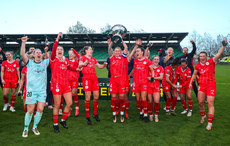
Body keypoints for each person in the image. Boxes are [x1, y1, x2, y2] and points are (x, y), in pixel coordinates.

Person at [189, 40, 228, 130]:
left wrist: (223, 46)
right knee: (200, 102)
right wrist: (191, 83)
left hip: (211, 85)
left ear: (206, 57)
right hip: (202, 86)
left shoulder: (211, 61)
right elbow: (194, 74)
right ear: (199, 57)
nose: (202, 57)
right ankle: (203, 116)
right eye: (200, 56)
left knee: (210, 103)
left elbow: (218, 54)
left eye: (203, 56)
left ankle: (209, 123)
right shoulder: (198, 65)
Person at [20, 36, 49, 137]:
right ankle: (26, 128)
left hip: (41, 91)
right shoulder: (29, 63)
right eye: (37, 52)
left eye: (40, 53)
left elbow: (50, 57)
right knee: (30, 110)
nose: (39, 54)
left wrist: (46, 52)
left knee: (40, 109)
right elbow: (22, 54)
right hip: (31, 90)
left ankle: (34, 127)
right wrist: (23, 43)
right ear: (33, 55)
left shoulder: (45, 63)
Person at [50, 32, 79, 133]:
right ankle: (55, 124)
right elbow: (53, 50)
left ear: (63, 51)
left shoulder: (66, 60)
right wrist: (57, 39)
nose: (59, 50)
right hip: (56, 84)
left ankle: (62, 120)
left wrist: (80, 66)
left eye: (61, 49)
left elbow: (72, 68)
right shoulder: (53, 59)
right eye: (58, 49)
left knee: (69, 103)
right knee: (57, 105)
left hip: (66, 84)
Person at [79, 46, 107, 125]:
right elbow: (80, 65)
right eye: (90, 49)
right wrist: (83, 64)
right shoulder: (83, 58)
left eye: (92, 49)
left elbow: (100, 66)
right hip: (87, 78)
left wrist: (104, 65)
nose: (92, 50)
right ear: (86, 50)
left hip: (94, 78)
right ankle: (87, 116)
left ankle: (95, 114)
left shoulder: (93, 59)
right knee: (87, 97)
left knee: (96, 96)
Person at [129, 45, 154, 123]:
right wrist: (128, 76)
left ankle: (146, 115)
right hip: (136, 82)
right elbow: (134, 69)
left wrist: (152, 77)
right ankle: (141, 113)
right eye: (136, 51)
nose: (137, 53)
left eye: (138, 51)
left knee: (143, 98)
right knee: (138, 99)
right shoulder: (135, 61)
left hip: (144, 82)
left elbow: (152, 70)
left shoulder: (147, 61)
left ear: (142, 52)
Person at [108, 39, 128, 123]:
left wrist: (121, 40)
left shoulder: (123, 58)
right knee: (113, 99)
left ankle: (122, 114)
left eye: (118, 51)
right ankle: (114, 115)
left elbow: (126, 48)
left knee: (122, 99)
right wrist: (111, 42)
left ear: (120, 52)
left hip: (122, 82)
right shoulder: (112, 58)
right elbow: (109, 49)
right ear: (114, 52)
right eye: (115, 51)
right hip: (113, 81)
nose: (117, 52)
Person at [147, 55, 163, 122]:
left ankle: (156, 115)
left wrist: (153, 78)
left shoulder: (161, 68)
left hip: (156, 86)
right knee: (150, 102)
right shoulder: (149, 68)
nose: (156, 61)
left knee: (156, 102)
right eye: (155, 59)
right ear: (152, 60)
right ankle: (150, 115)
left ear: (159, 61)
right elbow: (147, 77)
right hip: (149, 86)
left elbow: (161, 77)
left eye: (157, 59)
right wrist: (149, 78)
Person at [68, 48, 81, 117]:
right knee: (68, 96)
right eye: (69, 54)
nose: (70, 55)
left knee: (73, 94)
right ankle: (69, 108)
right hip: (67, 80)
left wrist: (74, 50)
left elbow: (79, 57)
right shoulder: (67, 61)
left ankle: (77, 108)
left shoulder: (76, 60)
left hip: (74, 79)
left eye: (72, 54)